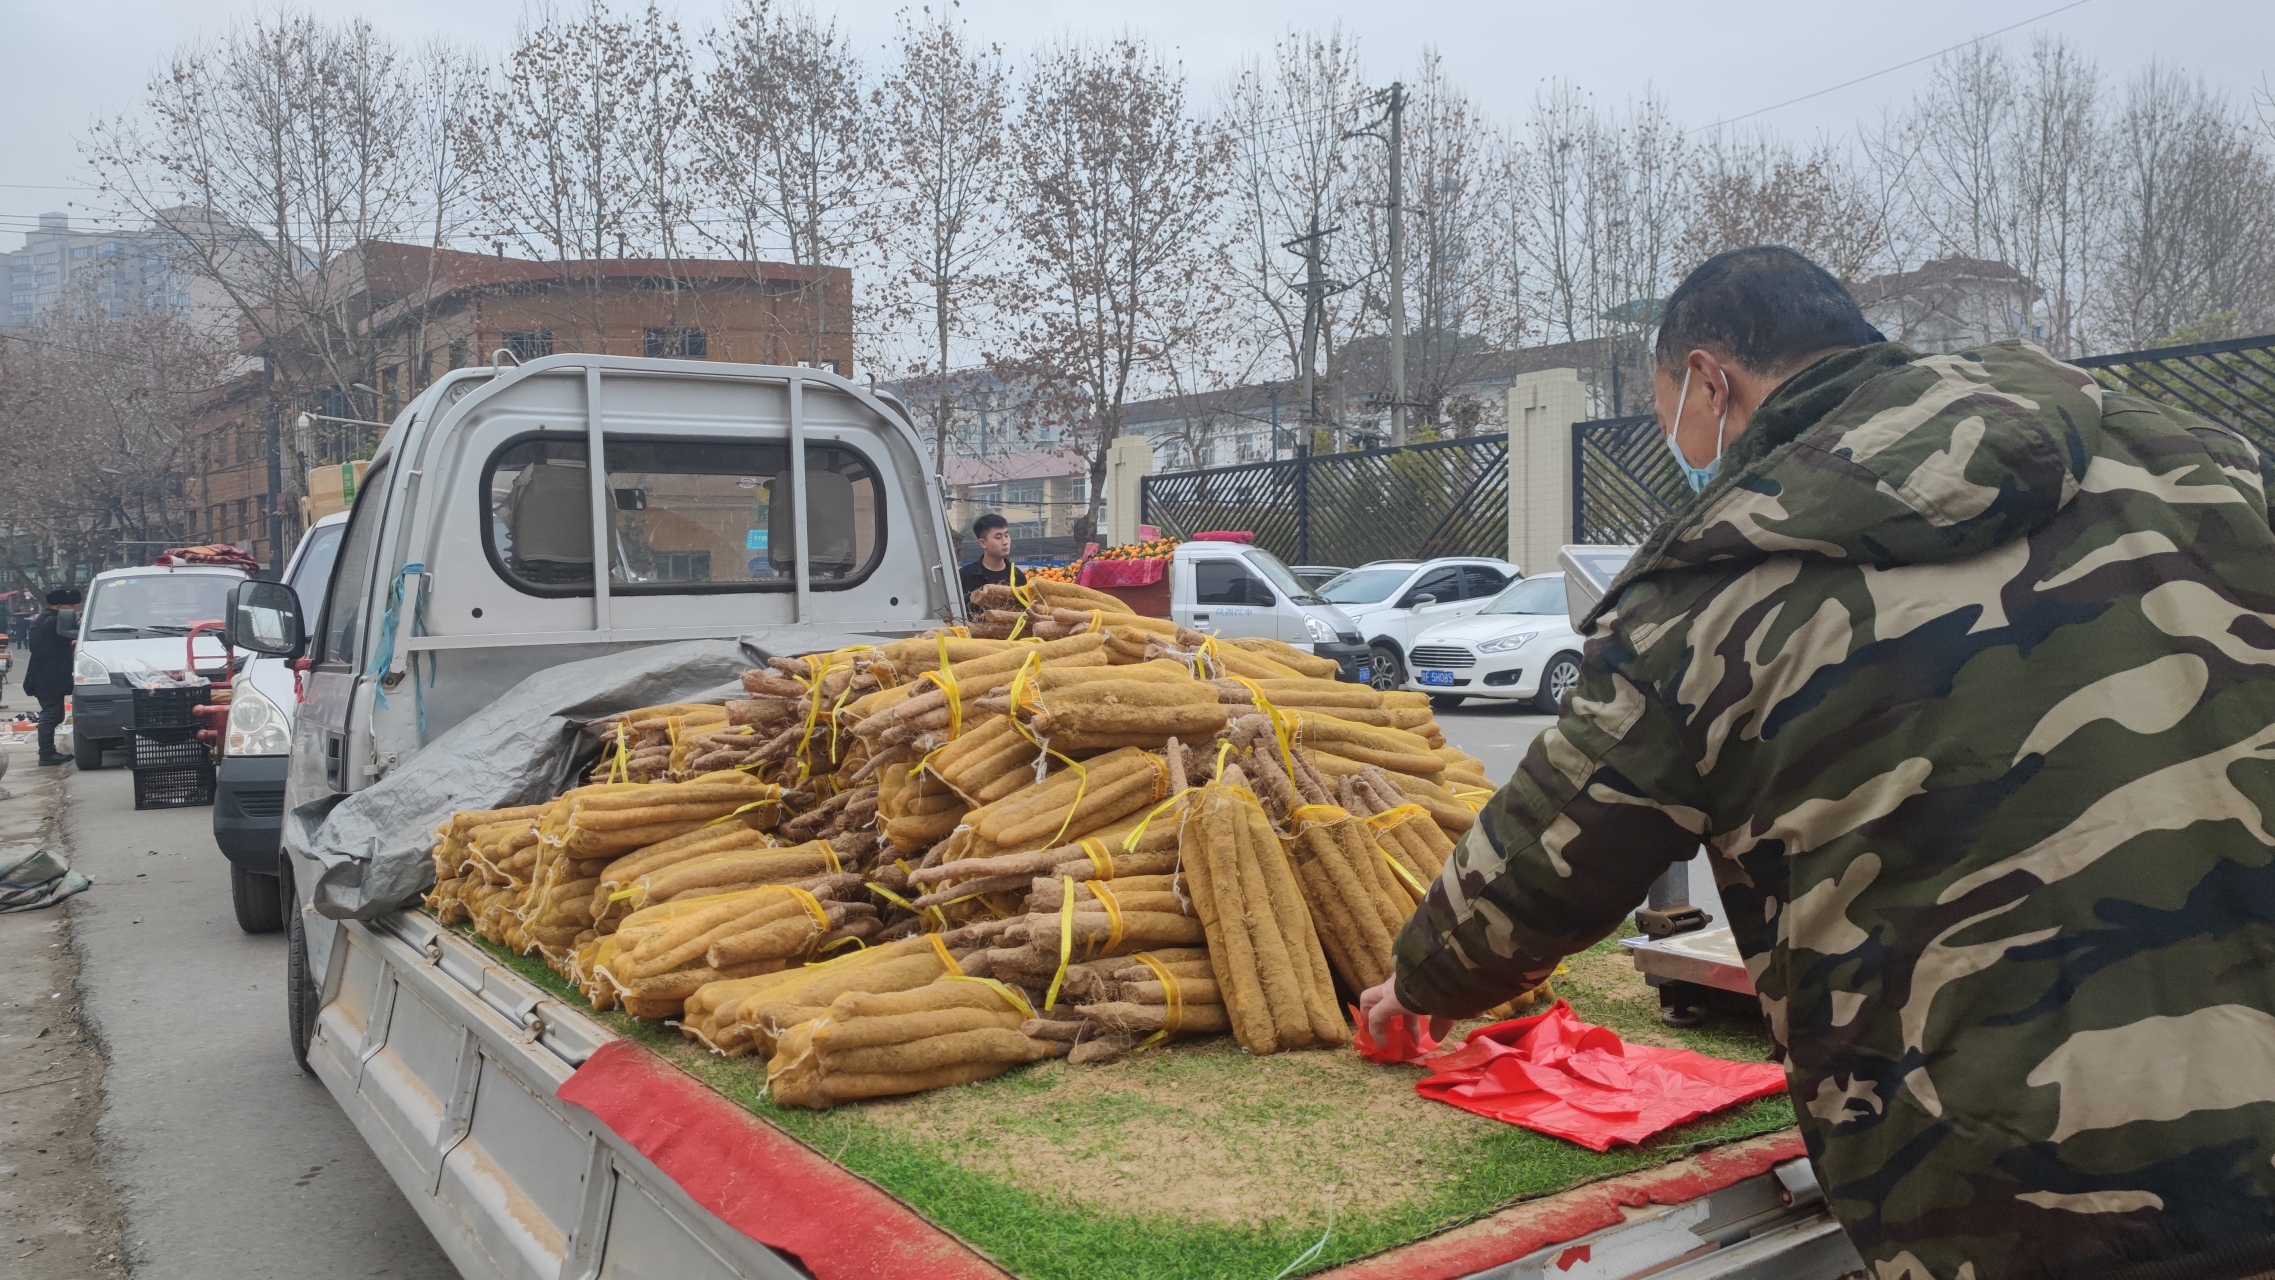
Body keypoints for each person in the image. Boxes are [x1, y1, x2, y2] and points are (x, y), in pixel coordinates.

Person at [1361, 245, 2275, 1280]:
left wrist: (1421, 980)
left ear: (1711, 381)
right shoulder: (2194, 462)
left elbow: (1546, 858)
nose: (1678, 442)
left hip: (2030, 1191)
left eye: (1667, 406)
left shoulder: (1720, 580)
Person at [24, 588, 81, 766]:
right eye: (70, 606)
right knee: (51, 714)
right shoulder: (53, 621)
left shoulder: (45, 620)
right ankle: (46, 754)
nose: (72, 610)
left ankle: (48, 752)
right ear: (60, 606)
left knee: (52, 714)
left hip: (45, 674)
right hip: (47, 676)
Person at [957, 512, 1023, 602]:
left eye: (1006, 536)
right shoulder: (965, 576)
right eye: (998, 537)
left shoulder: (1018, 576)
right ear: (983, 543)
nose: (1005, 542)